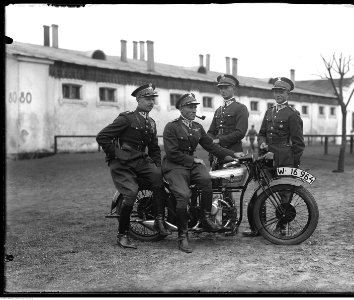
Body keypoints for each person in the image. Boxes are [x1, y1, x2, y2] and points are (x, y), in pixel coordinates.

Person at [162, 93, 244, 253]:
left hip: (192, 165)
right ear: (181, 109)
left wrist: (233, 154)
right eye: (190, 107)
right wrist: (192, 160)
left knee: (207, 179)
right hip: (175, 166)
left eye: (195, 107)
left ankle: (205, 217)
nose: (194, 110)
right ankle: (182, 236)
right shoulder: (171, 127)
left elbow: (212, 147)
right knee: (183, 195)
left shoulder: (197, 127)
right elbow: (171, 153)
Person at [96, 83, 171, 249]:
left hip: (140, 161)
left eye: (153, 99)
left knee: (158, 177)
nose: (151, 102)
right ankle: (122, 234)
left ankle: (159, 219)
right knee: (131, 192)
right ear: (138, 100)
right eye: (147, 99)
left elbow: (153, 148)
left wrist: (157, 165)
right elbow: (102, 137)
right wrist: (117, 154)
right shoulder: (126, 118)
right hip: (121, 163)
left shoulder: (151, 123)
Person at [242, 77, 305, 237]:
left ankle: (282, 226)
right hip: (266, 158)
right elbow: (262, 133)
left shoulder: (292, 114)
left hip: (284, 158)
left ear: (287, 94)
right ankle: (258, 227)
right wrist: (262, 143)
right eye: (276, 92)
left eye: (281, 92)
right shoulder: (269, 112)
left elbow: (298, 143)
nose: (278, 95)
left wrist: (294, 164)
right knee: (260, 191)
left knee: (285, 194)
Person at [207, 74, 249, 161]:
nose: (223, 90)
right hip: (217, 153)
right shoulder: (218, 110)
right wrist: (212, 142)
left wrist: (219, 140)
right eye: (221, 88)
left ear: (234, 89)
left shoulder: (241, 108)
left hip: (233, 151)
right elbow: (210, 132)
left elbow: (240, 132)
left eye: (226, 88)